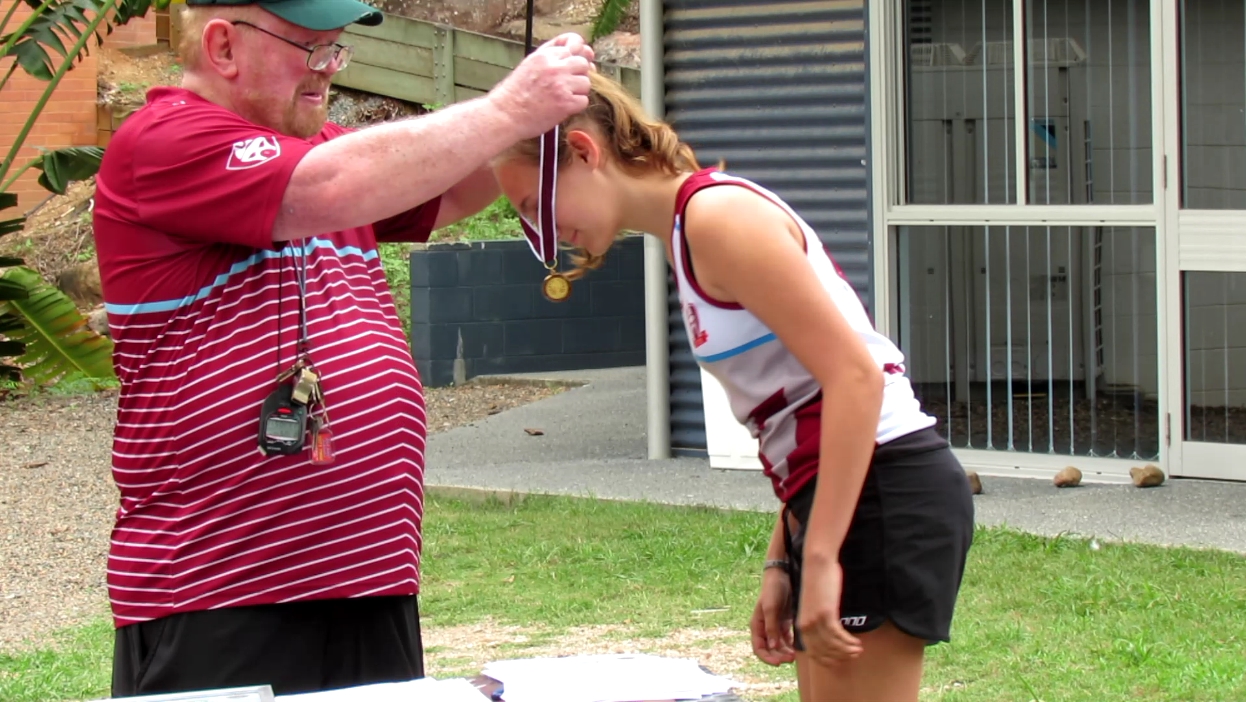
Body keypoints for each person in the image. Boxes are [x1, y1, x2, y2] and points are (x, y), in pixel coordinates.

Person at [90, 0, 595, 696]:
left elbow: (442, 188)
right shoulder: (164, 141)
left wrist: (542, 124)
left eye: (336, 50)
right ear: (222, 46)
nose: (327, 69)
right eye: (310, 48)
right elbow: (329, 186)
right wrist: (510, 106)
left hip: (369, 583)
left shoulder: (321, 152)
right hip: (221, 592)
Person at [489, 72, 976, 702]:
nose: (544, 237)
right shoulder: (686, 235)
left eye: (535, 207)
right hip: (839, 497)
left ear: (584, 152)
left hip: (884, 491)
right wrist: (786, 555)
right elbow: (802, 409)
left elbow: (856, 379)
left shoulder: (716, 218)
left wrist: (822, 557)